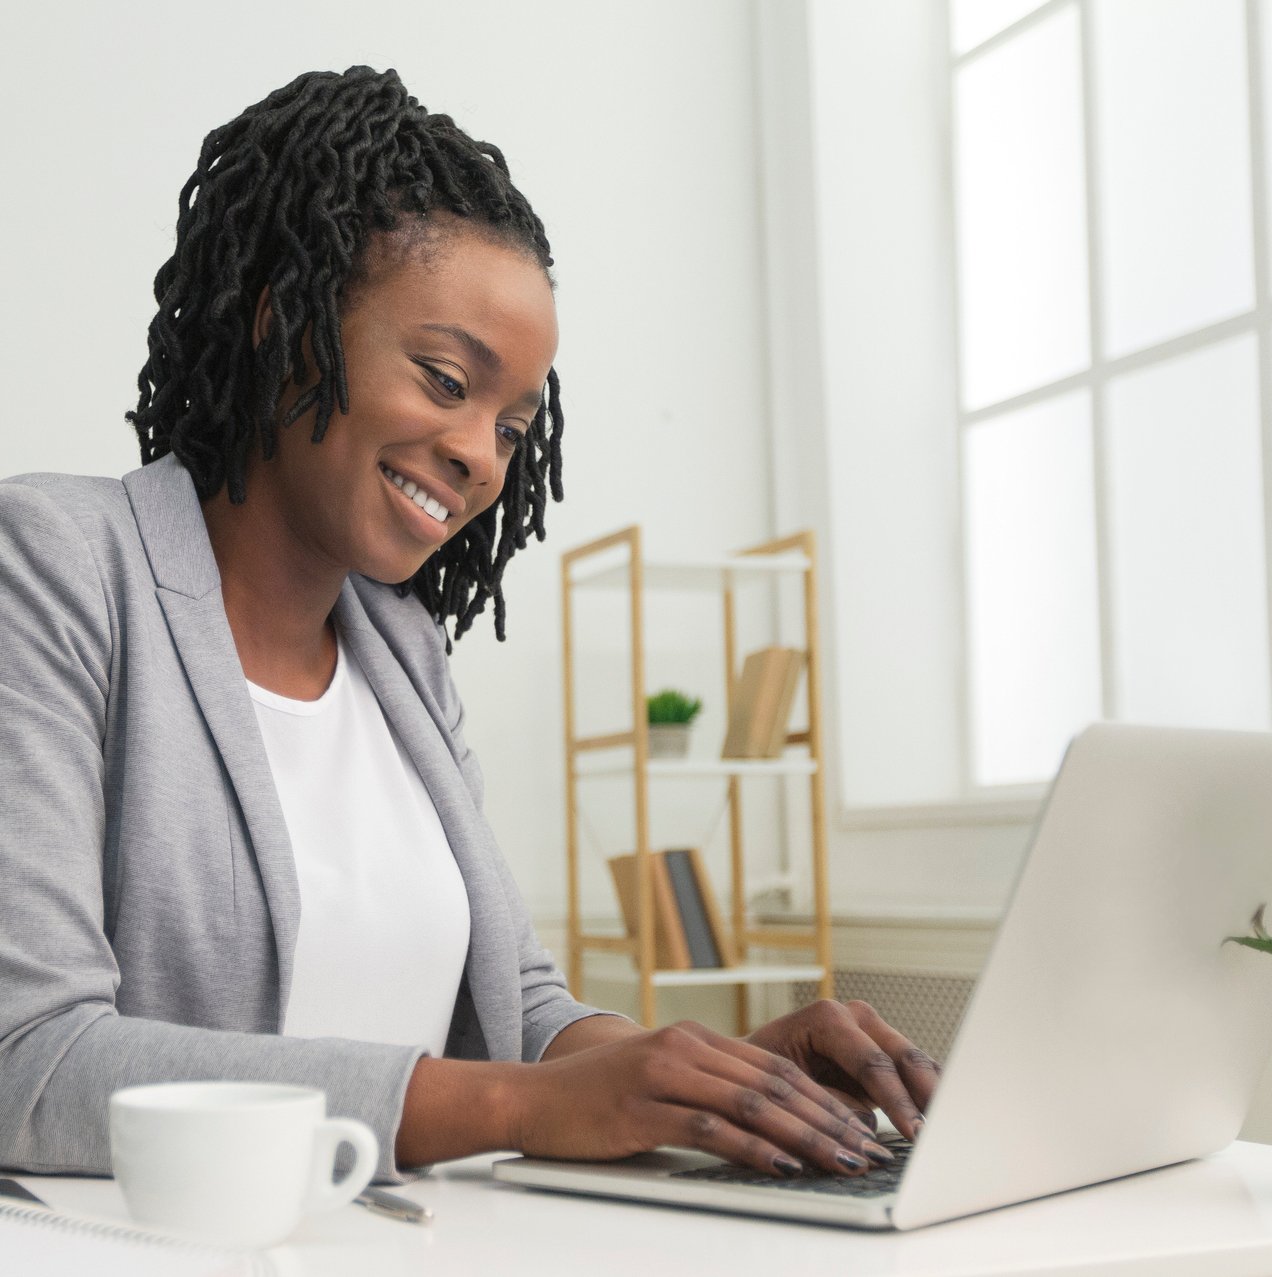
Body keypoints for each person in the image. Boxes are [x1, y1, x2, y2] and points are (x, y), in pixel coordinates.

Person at [0, 66, 938, 1185]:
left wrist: (719, 1080)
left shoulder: (401, 652)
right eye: (447, 379)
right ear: (280, 322)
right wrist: (516, 1103)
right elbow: (30, 1062)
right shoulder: (58, 565)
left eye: (512, 424)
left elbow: (519, 1003)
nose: (482, 456)